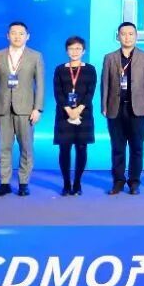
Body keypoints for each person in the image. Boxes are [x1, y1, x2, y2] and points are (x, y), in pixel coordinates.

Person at [0, 21, 45, 197]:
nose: (17, 36)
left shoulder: (35, 56)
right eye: (13, 33)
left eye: (21, 33)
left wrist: (38, 109)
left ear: (28, 36)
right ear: (7, 36)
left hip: (26, 109)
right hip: (2, 108)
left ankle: (23, 183)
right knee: (3, 148)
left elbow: (40, 85)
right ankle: (4, 183)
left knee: (26, 148)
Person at [101, 22, 144, 195]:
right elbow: (105, 83)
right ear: (118, 36)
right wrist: (104, 105)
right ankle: (118, 181)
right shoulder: (110, 57)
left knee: (137, 147)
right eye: (123, 34)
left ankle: (134, 182)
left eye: (131, 34)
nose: (127, 37)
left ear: (136, 36)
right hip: (115, 108)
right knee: (117, 147)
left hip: (137, 108)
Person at [53, 36, 96, 197]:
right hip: (63, 114)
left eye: (78, 48)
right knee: (64, 148)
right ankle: (66, 184)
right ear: (66, 51)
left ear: (84, 51)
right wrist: (68, 110)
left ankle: (77, 183)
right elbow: (58, 92)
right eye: (71, 48)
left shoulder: (90, 69)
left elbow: (90, 92)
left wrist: (79, 109)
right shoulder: (60, 69)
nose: (75, 51)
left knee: (81, 148)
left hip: (84, 113)